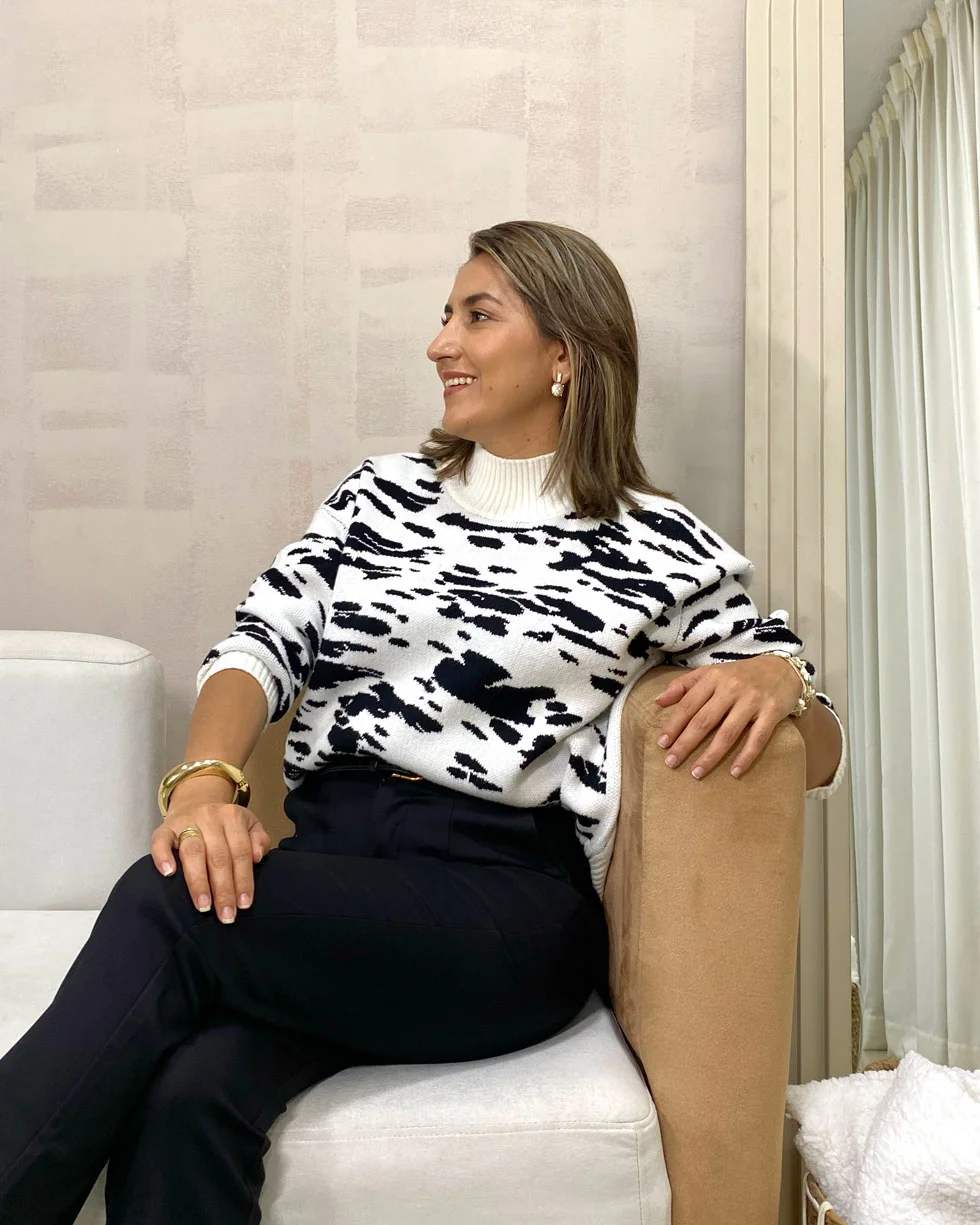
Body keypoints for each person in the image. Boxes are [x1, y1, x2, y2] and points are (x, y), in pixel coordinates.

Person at [0, 220, 846, 1225]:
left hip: (498, 906)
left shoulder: (656, 542)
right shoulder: (378, 496)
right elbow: (258, 644)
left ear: (566, 354)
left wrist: (777, 678)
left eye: (477, 316)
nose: (440, 342)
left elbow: (815, 748)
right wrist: (204, 785)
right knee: (186, 1096)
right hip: (339, 878)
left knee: (168, 898)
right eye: (445, 315)